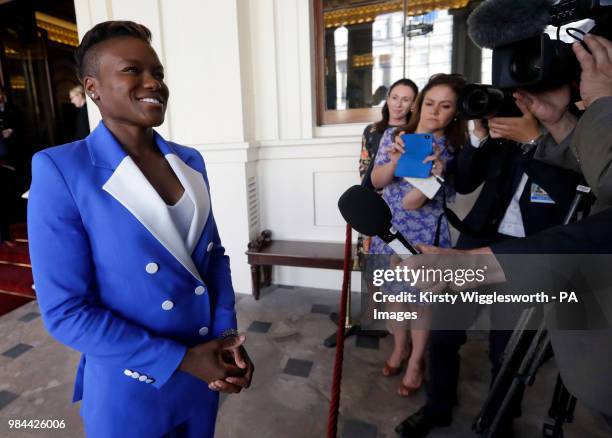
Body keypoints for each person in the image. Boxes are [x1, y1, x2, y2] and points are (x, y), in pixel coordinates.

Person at [27, 21, 253, 438]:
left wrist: (227, 339)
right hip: (133, 383)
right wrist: (183, 359)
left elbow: (212, 259)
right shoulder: (61, 169)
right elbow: (66, 312)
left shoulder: (190, 161)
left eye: (159, 72)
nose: (154, 82)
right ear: (92, 87)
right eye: (132, 70)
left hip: (204, 375)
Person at [396, 102, 583, 437]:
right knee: (444, 332)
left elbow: (569, 194)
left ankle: (500, 420)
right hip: (475, 242)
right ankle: (437, 408)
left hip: (532, 250)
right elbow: (465, 182)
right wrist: (480, 137)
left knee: (507, 349)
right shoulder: (502, 129)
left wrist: (535, 141)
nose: (525, 100)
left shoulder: (578, 131)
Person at [369, 73, 468, 397]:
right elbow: (377, 181)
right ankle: (399, 349)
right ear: (419, 103)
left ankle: (415, 361)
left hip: (426, 236)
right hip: (389, 229)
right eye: (429, 103)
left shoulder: (452, 151)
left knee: (421, 303)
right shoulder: (395, 136)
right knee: (396, 299)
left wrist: (436, 176)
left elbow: (413, 203)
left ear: (455, 112)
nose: (434, 112)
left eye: (445, 106)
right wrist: (396, 160)